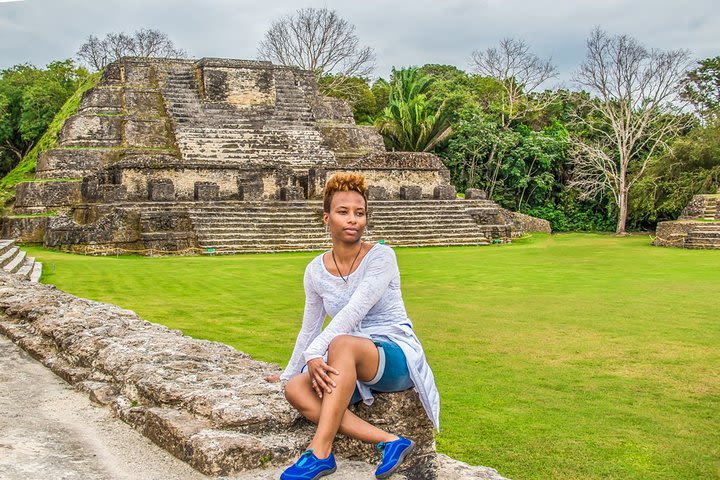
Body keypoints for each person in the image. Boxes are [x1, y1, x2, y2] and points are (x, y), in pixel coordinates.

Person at [275, 172, 440, 480]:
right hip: (347, 359)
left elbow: (354, 311)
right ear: (326, 218)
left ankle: (320, 452)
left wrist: (315, 354)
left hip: (394, 354)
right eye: (343, 212)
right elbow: (309, 328)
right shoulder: (315, 270)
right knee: (296, 388)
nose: (353, 219)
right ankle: (390, 441)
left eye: (359, 213)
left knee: (341, 343)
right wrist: (289, 371)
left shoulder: (382, 256)